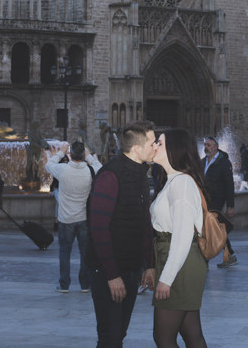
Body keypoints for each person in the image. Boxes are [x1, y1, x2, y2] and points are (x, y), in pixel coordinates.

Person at [87, 121, 157, 348]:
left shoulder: (140, 174)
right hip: (107, 271)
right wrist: (112, 275)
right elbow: (99, 228)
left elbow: (144, 223)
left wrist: (149, 264)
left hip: (130, 269)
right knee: (110, 336)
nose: (156, 147)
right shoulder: (110, 175)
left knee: (119, 334)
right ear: (136, 148)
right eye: (152, 143)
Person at [150, 129, 209, 348]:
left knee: (163, 338)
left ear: (174, 149)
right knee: (192, 334)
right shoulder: (173, 180)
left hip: (180, 263)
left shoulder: (181, 184)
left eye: (160, 143)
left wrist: (166, 279)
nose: (154, 146)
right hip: (177, 261)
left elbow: (183, 235)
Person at [45, 141, 101, 292]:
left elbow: (48, 165)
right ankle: (85, 284)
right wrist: (89, 156)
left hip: (66, 219)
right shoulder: (90, 170)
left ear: (70, 154)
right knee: (85, 253)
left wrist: (61, 152)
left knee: (64, 252)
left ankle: (64, 284)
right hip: (83, 219)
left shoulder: (63, 170)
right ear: (83, 155)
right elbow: (100, 167)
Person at [200, 136, 236, 268]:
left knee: (209, 227)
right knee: (215, 228)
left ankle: (206, 260)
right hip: (205, 200)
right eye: (205, 145)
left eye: (209, 145)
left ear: (215, 147)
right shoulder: (203, 161)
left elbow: (229, 184)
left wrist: (230, 205)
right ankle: (229, 254)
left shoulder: (223, 162)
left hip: (217, 199)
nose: (206, 147)